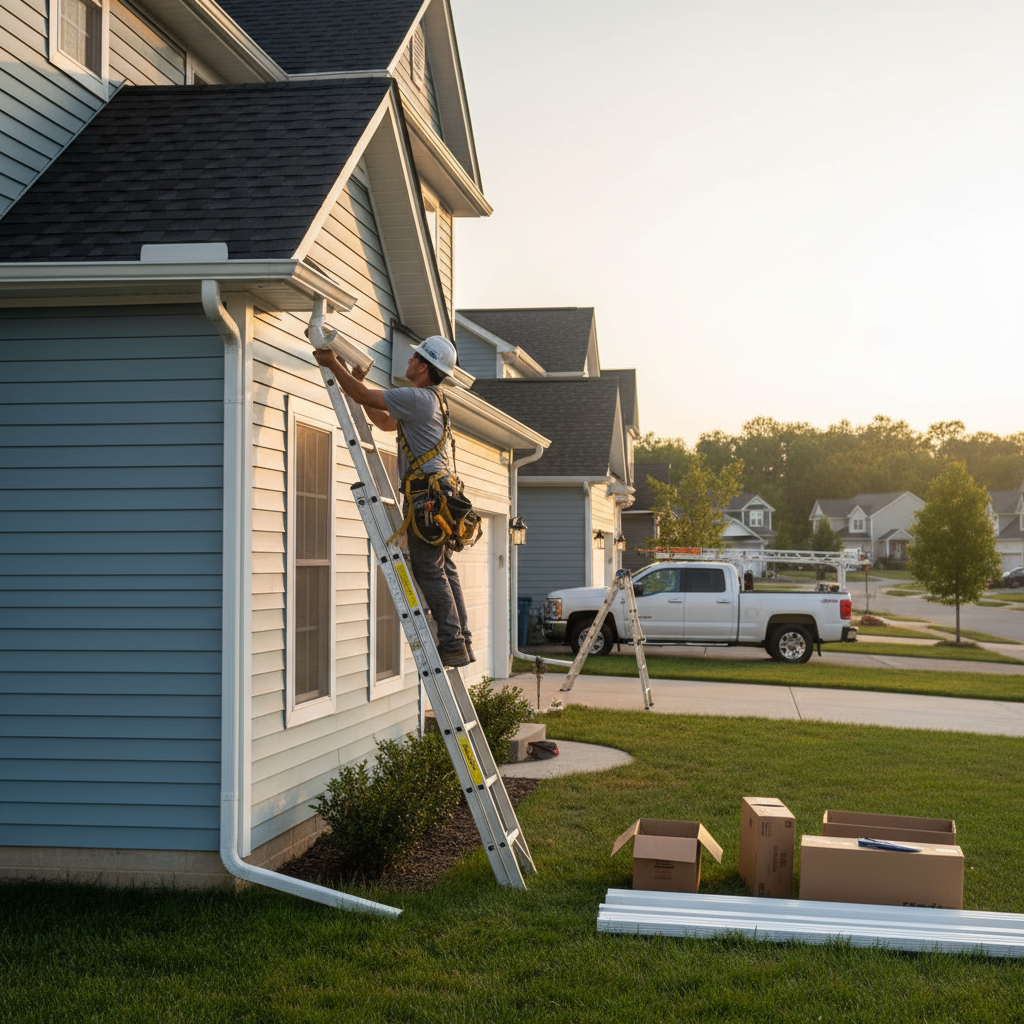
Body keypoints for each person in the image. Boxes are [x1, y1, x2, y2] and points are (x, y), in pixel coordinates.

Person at [313, 337, 474, 668]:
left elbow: (360, 396)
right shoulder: (432, 401)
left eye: (414, 357)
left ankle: (452, 641)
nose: (408, 361)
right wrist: (355, 381)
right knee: (444, 567)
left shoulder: (417, 397)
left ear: (424, 367)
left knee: (428, 568)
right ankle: (461, 640)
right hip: (440, 494)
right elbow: (384, 421)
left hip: (426, 498)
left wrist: (333, 364)